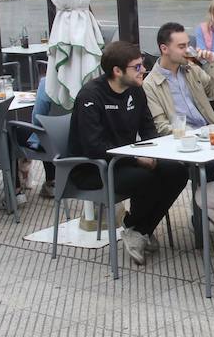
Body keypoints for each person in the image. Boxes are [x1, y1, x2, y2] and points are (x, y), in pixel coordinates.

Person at [71, 41, 190, 267]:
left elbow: (148, 130)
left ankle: (138, 229)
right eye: (137, 67)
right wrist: (137, 159)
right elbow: (94, 146)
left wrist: (159, 152)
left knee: (177, 172)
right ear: (117, 71)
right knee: (147, 178)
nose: (143, 70)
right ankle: (138, 229)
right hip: (93, 168)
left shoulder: (136, 90)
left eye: (142, 65)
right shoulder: (91, 96)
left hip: (124, 161)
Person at [145, 21, 214, 136]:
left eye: (188, 45)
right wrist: (191, 133)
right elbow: (161, 126)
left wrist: (211, 64)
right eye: (182, 47)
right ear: (164, 49)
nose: (187, 50)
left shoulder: (191, 69)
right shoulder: (150, 84)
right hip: (184, 140)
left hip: (209, 132)